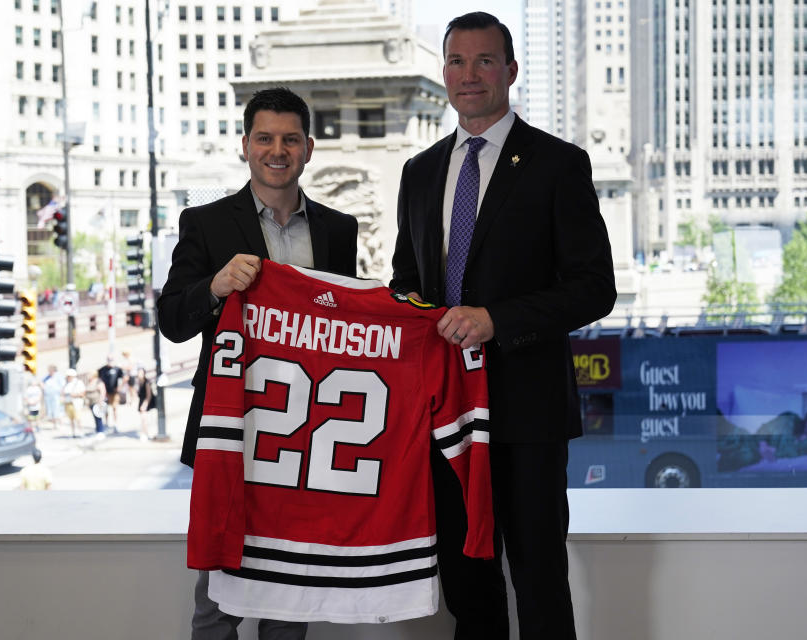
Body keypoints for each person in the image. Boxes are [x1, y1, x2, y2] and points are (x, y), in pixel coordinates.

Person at [389, 12, 616, 639]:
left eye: (484, 61)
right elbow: (406, 279)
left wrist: (496, 321)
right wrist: (402, 305)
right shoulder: (420, 171)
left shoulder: (557, 165)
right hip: (446, 415)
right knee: (467, 585)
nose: (470, 75)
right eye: (457, 62)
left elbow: (595, 288)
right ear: (443, 74)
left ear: (510, 71)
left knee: (539, 582)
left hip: (527, 413)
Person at [156, 86, 358, 640]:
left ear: (309, 149)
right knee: (218, 600)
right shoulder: (205, 223)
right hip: (231, 432)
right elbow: (172, 319)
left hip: (305, 439)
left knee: (290, 599)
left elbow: (347, 330)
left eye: (290, 139)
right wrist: (215, 287)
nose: (278, 150)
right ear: (245, 146)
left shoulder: (339, 230)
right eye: (265, 138)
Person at [97, 355, 124, 431]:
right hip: (105, 393)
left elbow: (123, 378)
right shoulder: (102, 369)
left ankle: (115, 424)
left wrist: (120, 387)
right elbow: (99, 379)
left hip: (114, 392)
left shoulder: (117, 369)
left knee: (115, 408)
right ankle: (106, 423)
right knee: (105, 408)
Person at [61, 369, 86, 438]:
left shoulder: (79, 382)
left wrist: (74, 395)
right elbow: (63, 392)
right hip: (68, 402)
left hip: (76, 403)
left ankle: (81, 432)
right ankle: (73, 433)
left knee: (78, 418)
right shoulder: (66, 383)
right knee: (71, 419)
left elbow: (83, 393)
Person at [41, 364, 64, 430]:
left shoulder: (58, 376)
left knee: (57, 409)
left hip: (56, 395)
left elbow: (62, 386)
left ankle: (59, 423)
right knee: (50, 410)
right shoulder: (47, 377)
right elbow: (42, 382)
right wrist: (43, 387)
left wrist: (62, 395)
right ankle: (55, 425)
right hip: (48, 395)